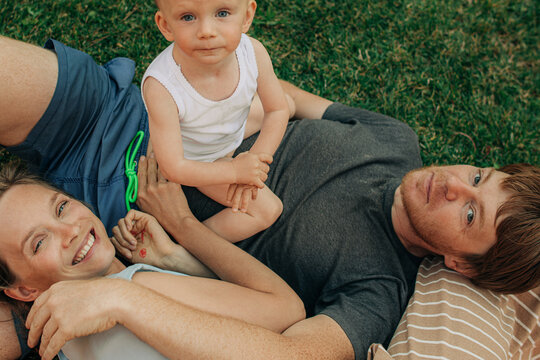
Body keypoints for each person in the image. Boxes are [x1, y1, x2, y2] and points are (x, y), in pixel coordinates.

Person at [0, 35, 538, 360]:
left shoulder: (378, 290)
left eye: (469, 213)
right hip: (121, 119)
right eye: (478, 174)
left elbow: (295, 353)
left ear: (460, 264)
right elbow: (293, 102)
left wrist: (167, 252)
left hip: (100, 251)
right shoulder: (395, 140)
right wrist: (241, 108)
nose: (452, 184)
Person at [0, 161, 305, 360]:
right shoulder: (131, 288)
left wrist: (173, 261)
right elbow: (287, 311)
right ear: (24, 291)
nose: (70, 230)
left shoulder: (67, 347)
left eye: (61, 207)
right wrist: (183, 225)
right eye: (39, 242)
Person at [142, 0, 289, 242]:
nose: (206, 31)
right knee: (267, 210)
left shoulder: (252, 52)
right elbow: (174, 167)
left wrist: (254, 162)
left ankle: (327, 111)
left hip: (231, 130)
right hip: (200, 159)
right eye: (188, 17)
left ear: (247, 15)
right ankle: (187, 244)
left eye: (222, 13)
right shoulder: (162, 86)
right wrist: (233, 171)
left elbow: (277, 110)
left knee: (286, 104)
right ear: (165, 25)